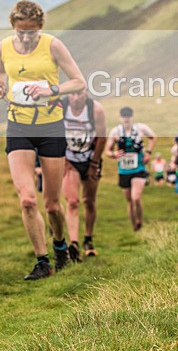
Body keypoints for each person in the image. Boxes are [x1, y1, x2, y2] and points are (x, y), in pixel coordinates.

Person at [0, 0, 87, 280]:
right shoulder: (2, 47)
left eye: (31, 33)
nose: (26, 38)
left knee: (52, 204)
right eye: (21, 33)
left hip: (50, 128)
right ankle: (42, 261)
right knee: (28, 200)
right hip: (17, 126)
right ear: (13, 27)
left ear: (40, 27)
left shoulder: (53, 45)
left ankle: (60, 246)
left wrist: (50, 89)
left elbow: (79, 82)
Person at [60, 89, 107, 261]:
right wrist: (64, 160)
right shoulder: (61, 106)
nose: (75, 98)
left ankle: (88, 238)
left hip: (90, 157)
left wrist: (94, 164)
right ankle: (74, 244)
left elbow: (102, 138)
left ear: (86, 93)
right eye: (72, 94)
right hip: (70, 159)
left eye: (79, 94)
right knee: (72, 202)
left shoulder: (95, 110)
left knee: (89, 202)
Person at [106, 107, 157, 232]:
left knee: (136, 197)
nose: (126, 118)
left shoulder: (141, 128)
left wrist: (148, 153)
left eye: (128, 116)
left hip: (138, 167)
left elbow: (153, 137)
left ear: (132, 116)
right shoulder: (115, 131)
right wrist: (114, 154)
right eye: (124, 116)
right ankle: (134, 224)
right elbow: (107, 150)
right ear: (120, 117)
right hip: (124, 169)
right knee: (129, 200)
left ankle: (140, 220)